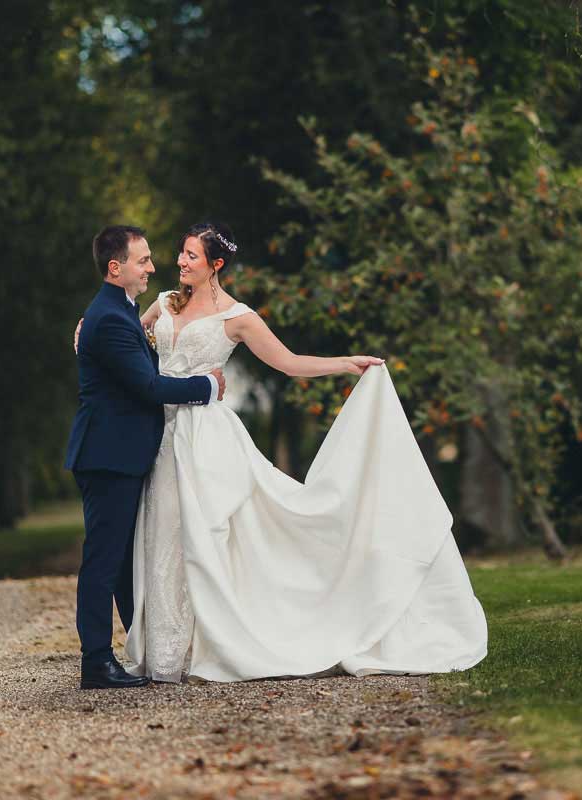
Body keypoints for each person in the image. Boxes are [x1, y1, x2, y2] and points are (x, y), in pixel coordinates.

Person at [93, 221, 487, 683]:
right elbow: (121, 335)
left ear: (215, 265)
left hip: (208, 439)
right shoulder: (162, 304)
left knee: (206, 537)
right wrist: (88, 325)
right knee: (164, 536)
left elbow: (289, 362)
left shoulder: (237, 317)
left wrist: (346, 363)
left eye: (191, 256)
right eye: (180, 254)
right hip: (162, 436)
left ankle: (215, 643)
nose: (180, 262)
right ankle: (167, 650)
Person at [65, 225, 226, 690]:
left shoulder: (117, 312)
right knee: (103, 560)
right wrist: (208, 385)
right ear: (116, 268)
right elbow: (149, 387)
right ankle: (96, 661)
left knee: (119, 563)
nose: (152, 268)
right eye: (143, 261)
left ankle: (144, 646)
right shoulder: (110, 318)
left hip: (117, 454)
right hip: (108, 455)